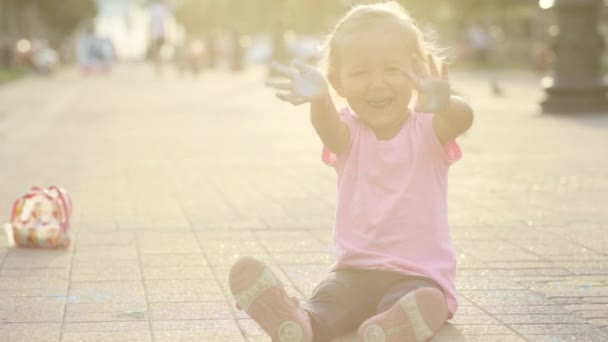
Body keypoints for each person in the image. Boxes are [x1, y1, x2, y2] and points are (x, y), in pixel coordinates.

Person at [229, 2, 474, 342]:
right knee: (331, 303)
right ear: (338, 83)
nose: (377, 83)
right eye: (361, 73)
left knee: (417, 301)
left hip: (418, 275)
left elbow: (461, 119)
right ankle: (300, 323)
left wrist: (445, 102)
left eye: (392, 69)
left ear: (418, 70)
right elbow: (329, 130)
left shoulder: (429, 129)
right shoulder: (349, 132)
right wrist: (320, 100)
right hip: (353, 272)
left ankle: (394, 325)